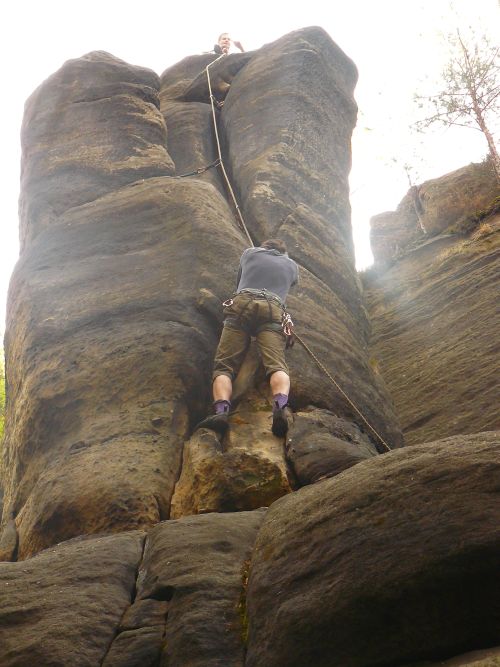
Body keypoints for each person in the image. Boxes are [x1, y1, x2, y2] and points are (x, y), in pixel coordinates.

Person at [197, 239, 299, 438]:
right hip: (273, 309)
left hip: (243, 304)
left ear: (264, 246)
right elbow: (292, 282)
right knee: (277, 366)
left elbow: (239, 281)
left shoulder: (249, 253)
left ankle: (221, 412)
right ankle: (280, 407)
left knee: (224, 366)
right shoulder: (292, 266)